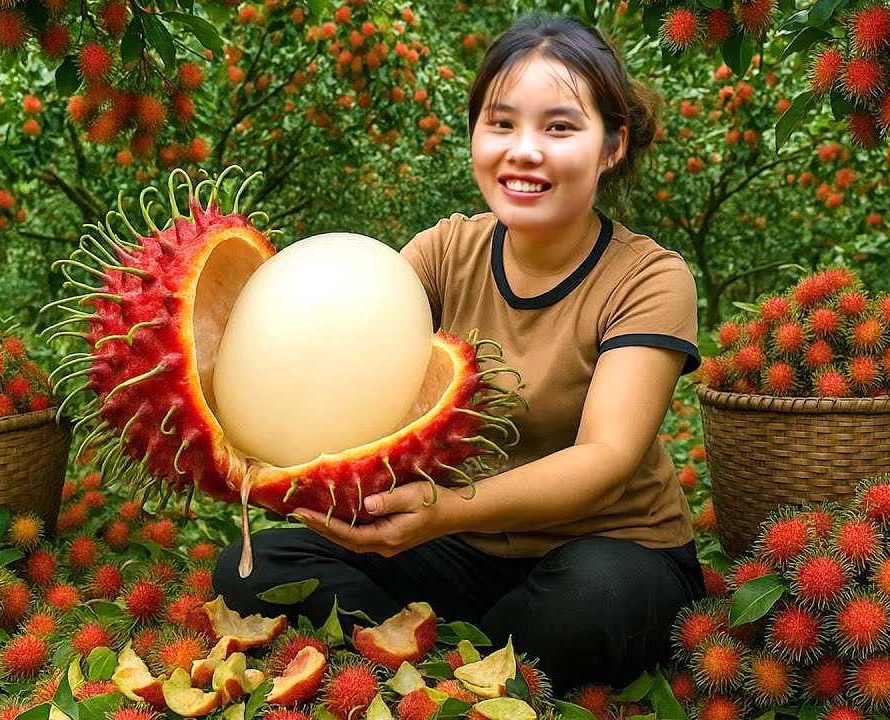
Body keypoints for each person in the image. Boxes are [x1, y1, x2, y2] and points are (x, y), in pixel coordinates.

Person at [213, 13, 704, 692]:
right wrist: (254, 443)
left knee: (589, 605)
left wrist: (446, 512)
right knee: (258, 565)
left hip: (608, 550)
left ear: (612, 145)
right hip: (457, 552)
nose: (523, 151)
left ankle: (447, 645)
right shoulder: (445, 251)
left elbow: (606, 461)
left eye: (559, 128)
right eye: (500, 124)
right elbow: (341, 361)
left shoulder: (651, 278)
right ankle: (465, 650)